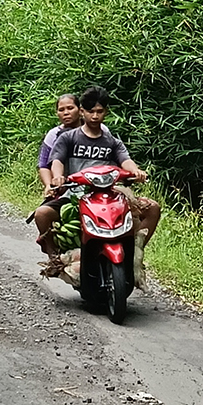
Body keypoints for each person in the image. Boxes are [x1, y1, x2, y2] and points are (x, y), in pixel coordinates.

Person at [32, 85, 161, 285]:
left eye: (99, 111)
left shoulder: (112, 141)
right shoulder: (67, 138)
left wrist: (136, 172)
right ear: (82, 112)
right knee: (42, 214)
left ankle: (134, 252)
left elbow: (125, 160)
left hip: (111, 194)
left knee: (152, 208)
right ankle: (55, 258)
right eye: (90, 111)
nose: (95, 116)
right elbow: (56, 161)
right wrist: (57, 178)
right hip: (74, 194)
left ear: (106, 113)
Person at [36, 93, 82, 198]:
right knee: (42, 213)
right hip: (63, 187)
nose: (66, 113)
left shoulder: (97, 130)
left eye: (70, 108)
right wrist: (49, 185)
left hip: (94, 185)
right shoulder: (53, 135)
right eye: (61, 110)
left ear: (80, 110)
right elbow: (43, 165)